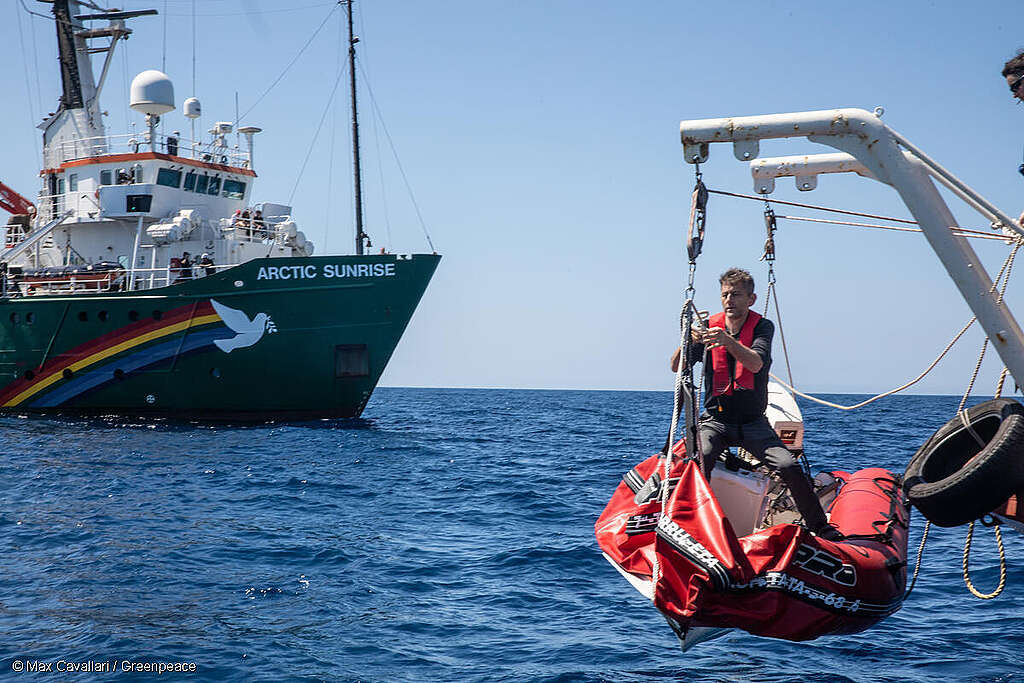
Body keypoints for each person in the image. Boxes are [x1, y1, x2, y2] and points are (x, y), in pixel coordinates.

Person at [671, 267, 838, 540]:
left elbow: (756, 363)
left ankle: (820, 526)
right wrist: (686, 340)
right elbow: (676, 366)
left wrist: (726, 341)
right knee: (701, 459)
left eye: (736, 294)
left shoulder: (762, 327)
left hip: (752, 423)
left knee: (788, 466)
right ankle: (693, 524)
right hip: (716, 421)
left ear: (751, 299)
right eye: (725, 295)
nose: (729, 300)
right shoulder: (708, 330)